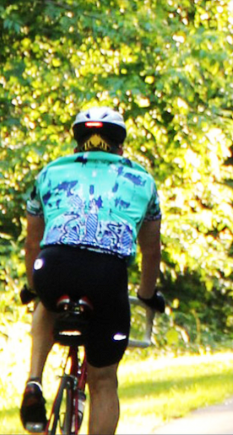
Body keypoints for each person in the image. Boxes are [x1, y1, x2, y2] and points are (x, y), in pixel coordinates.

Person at [20, 107, 166, 434]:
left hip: (53, 265)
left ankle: (34, 380)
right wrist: (145, 294)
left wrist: (33, 285)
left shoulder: (50, 172)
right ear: (120, 148)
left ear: (76, 146)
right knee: (103, 381)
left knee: (45, 298)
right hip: (106, 274)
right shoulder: (142, 179)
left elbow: (32, 244)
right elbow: (151, 249)